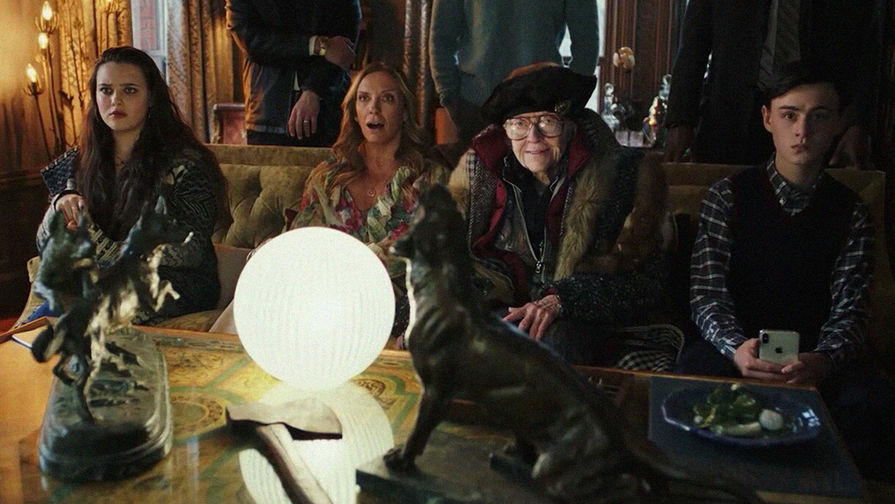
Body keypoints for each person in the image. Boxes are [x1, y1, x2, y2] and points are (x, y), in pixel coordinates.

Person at [679, 61, 895, 481]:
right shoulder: (727, 197)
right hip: (737, 347)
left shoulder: (852, 212)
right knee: (690, 382)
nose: (803, 131)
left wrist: (824, 361)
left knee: (873, 404)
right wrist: (736, 347)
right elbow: (707, 294)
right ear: (767, 119)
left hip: (814, 355)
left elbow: (851, 309)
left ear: (838, 124)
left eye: (819, 117)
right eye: (790, 115)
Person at [448, 63, 671, 368]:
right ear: (506, 131)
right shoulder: (482, 174)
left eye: (546, 121)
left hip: (583, 320)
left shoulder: (627, 175)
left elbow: (647, 283)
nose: (533, 136)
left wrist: (563, 299)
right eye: (519, 124)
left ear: (570, 127)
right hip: (504, 312)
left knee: (555, 341)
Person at [211, 62, 450, 339]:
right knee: (266, 286)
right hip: (324, 292)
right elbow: (303, 236)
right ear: (354, 112)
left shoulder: (428, 177)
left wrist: (341, 265)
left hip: (392, 297)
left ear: (405, 111)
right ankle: (216, 355)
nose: (373, 108)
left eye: (387, 99)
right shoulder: (328, 176)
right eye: (364, 99)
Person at [31, 46, 226, 325]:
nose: (116, 101)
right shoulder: (79, 160)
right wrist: (60, 206)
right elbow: (43, 246)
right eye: (106, 90)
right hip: (99, 282)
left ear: (151, 98)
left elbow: (191, 249)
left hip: (173, 286)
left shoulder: (187, 163)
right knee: (44, 317)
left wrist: (106, 250)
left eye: (130, 90)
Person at [663, 0, 881, 169]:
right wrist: (680, 120)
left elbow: (867, 52)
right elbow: (693, 44)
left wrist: (858, 123)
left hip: (816, 121)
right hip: (733, 119)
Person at [429, 0, 598, 147]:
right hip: (476, 108)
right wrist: (451, 99)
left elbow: (587, 43)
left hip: (542, 109)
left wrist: (567, 106)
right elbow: (441, 39)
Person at [227, 0, 360, 147]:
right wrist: (315, 45)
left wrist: (314, 91)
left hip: (329, 109)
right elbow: (251, 39)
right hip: (269, 112)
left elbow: (343, 48)